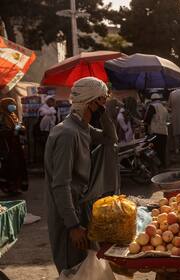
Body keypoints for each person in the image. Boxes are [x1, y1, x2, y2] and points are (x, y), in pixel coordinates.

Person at [44, 77, 118, 274]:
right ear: (88, 102)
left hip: (80, 209)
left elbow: (110, 139)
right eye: (101, 102)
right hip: (68, 217)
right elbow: (60, 185)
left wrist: (104, 114)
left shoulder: (83, 127)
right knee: (74, 270)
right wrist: (73, 226)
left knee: (88, 269)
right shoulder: (67, 133)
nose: (104, 106)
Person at [0, 97, 28, 195]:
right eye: (10, 104)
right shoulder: (2, 116)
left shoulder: (13, 115)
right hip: (7, 146)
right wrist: (13, 131)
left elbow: (21, 126)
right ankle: (10, 187)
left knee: (19, 165)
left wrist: (20, 128)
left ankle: (16, 186)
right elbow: (2, 131)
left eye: (14, 104)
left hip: (16, 145)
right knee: (12, 167)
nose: (13, 106)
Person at [144, 93, 169, 167]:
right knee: (162, 151)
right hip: (164, 131)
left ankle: (156, 167)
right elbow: (167, 119)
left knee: (154, 151)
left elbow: (147, 120)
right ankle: (163, 166)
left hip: (155, 132)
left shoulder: (152, 106)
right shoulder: (164, 108)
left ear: (152, 100)